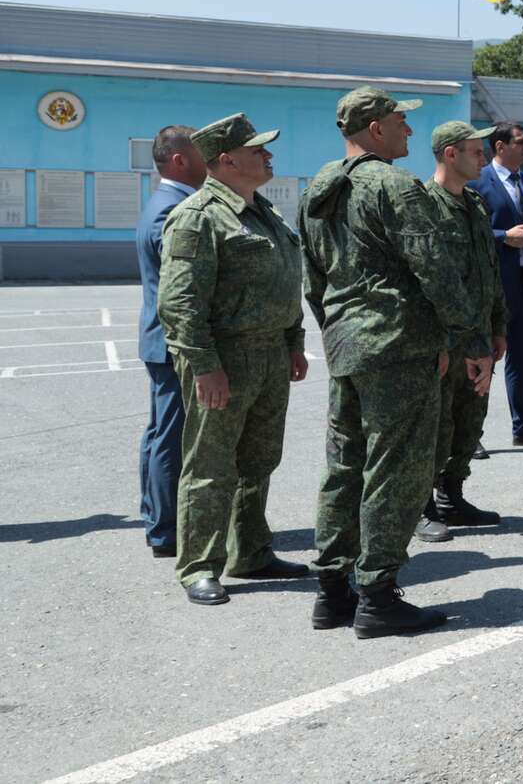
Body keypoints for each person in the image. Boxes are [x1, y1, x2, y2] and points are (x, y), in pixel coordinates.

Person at [302, 87, 488, 638]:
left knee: (345, 467)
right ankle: (378, 595)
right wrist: (471, 342)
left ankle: (333, 592)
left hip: (348, 345)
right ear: (375, 128)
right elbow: (434, 269)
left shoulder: (321, 185)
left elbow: (313, 277)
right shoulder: (396, 186)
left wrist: (335, 330)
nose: (409, 130)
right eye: (400, 121)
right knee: (396, 471)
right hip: (398, 347)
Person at [157, 113, 311, 605]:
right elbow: (180, 304)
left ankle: (251, 551)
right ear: (226, 159)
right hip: (224, 357)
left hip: (268, 353)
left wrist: (292, 341)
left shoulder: (265, 211)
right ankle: (199, 565)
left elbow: (286, 282)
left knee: (259, 458)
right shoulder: (199, 216)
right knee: (210, 463)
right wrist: (205, 365)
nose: (268, 155)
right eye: (258, 149)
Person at [422, 121, 508, 536]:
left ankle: (451, 496)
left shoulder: (475, 203)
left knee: (468, 419)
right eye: (475, 151)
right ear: (450, 154)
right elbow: (424, 280)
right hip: (442, 339)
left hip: (477, 337)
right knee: (431, 426)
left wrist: (497, 325)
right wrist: (436, 342)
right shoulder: (422, 204)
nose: (483, 157)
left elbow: (488, 270)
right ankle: (420, 506)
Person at [136, 124, 204, 559]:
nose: (209, 159)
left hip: (161, 341)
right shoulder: (170, 210)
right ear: (179, 159)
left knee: (161, 432)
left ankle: (156, 519)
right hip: (170, 344)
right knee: (172, 437)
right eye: (200, 152)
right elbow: (183, 284)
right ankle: (166, 531)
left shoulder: (168, 202)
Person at [471, 122, 523, 446]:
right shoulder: (478, 183)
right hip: (493, 286)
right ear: (500, 147)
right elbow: (470, 234)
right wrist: (506, 237)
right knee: (483, 356)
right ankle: (470, 432)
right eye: (520, 142)